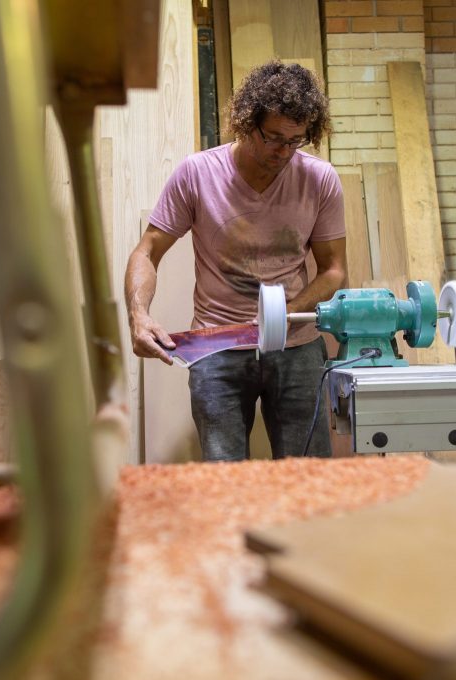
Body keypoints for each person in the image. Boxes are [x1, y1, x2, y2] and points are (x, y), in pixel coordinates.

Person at [124, 60, 347, 461]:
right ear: (247, 123)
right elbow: (148, 251)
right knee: (224, 479)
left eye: (295, 141)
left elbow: (334, 270)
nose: (282, 152)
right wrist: (139, 315)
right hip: (219, 346)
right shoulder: (197, 174)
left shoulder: (319, 179)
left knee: (308, 478)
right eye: (273, 137)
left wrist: (285, 313)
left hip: (297, 346)